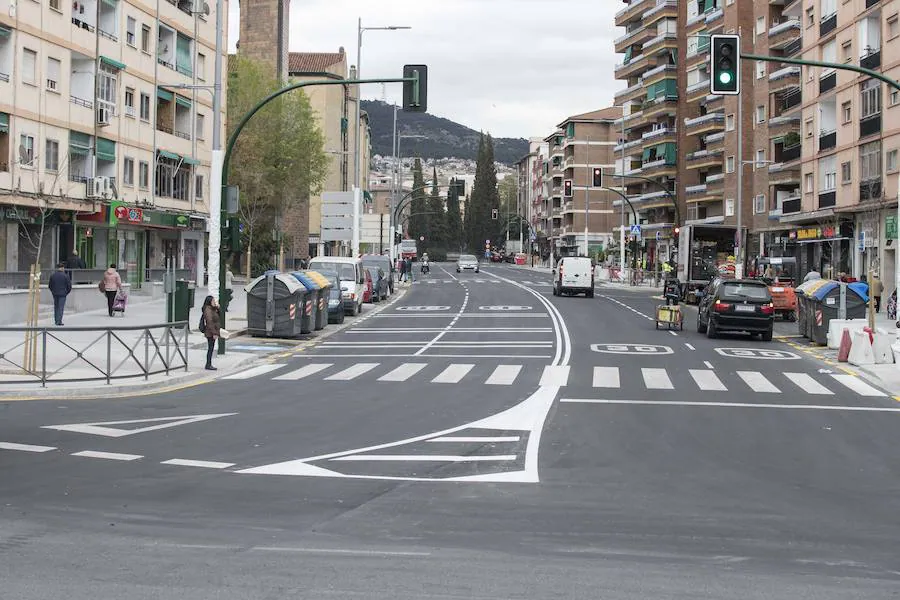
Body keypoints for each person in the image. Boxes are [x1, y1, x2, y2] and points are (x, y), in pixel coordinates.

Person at [201, 295, 221, 371]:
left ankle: (208, 364)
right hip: (210, 332)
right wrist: (214, 333)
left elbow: (219, 316)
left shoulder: (212, 309)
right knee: (210, 348)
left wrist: (217, 308)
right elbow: (210, 322)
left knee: (211, 348)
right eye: (213, 301)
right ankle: (208, 364)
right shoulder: (208, 310)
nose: (214, 302)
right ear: (209, 302)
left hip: (213, 331)